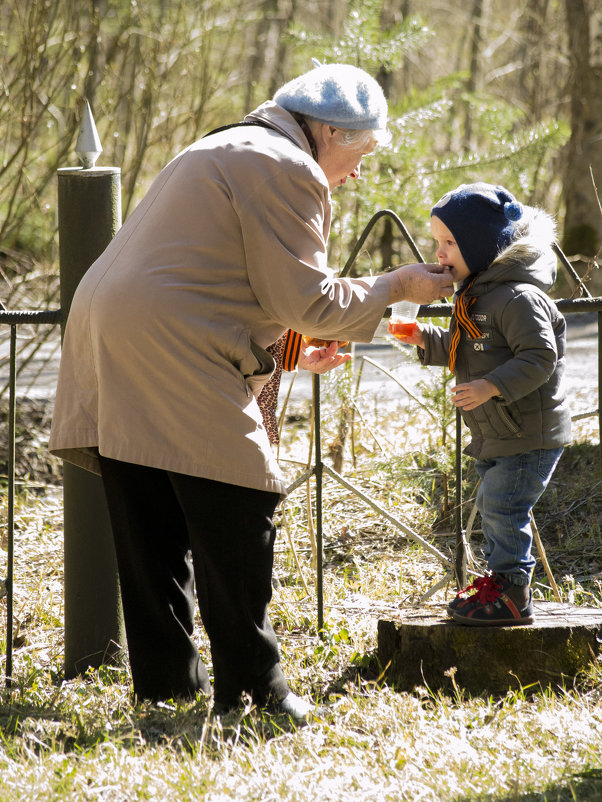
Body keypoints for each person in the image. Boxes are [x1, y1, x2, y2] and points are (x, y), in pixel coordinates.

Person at [49, 62, 453, 721]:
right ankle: (255, 690)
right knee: (239, 503)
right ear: (327, 132)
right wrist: (398, 286)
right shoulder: (286, 166)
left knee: (149, 517)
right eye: (361, 152)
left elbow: (216, 274)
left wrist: (294, 345)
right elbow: (308, 298)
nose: (357, 175)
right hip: (169, 341)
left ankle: (164, 690)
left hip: (108, 328)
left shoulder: (224, 142)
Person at [399, 182, 571, 626]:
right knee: (498, 507)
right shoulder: (478, 293)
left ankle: (513, 590)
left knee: (502, 506)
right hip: (498, 430)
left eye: (450, 242)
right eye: (436, 241)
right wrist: (425, 340)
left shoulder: (517, 297)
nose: (439, 253)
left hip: (527, 430)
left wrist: (491, 386)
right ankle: (499, 582)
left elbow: (539, 357)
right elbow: (468, 349)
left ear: (482, 245)